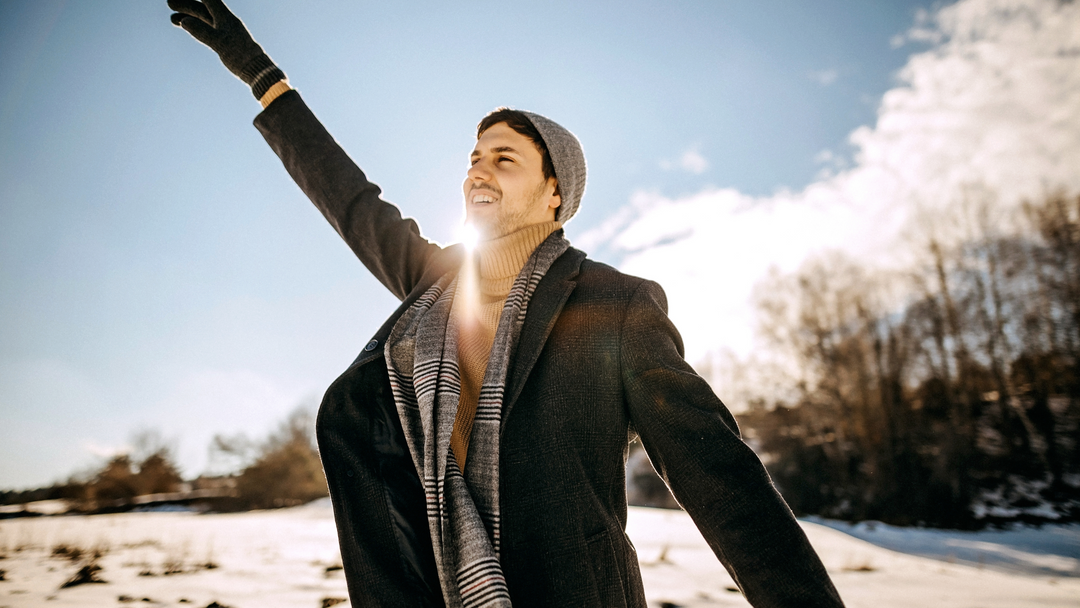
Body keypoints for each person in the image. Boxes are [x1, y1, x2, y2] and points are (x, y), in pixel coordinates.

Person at [167, 1, 846, 606]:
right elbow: (348, 199)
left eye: (504, 158)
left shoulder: (617, 306)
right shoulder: (434, 285)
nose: (477, 170)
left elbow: (720, 476)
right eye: (473, 156)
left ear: (556, 194)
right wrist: (261, 76)